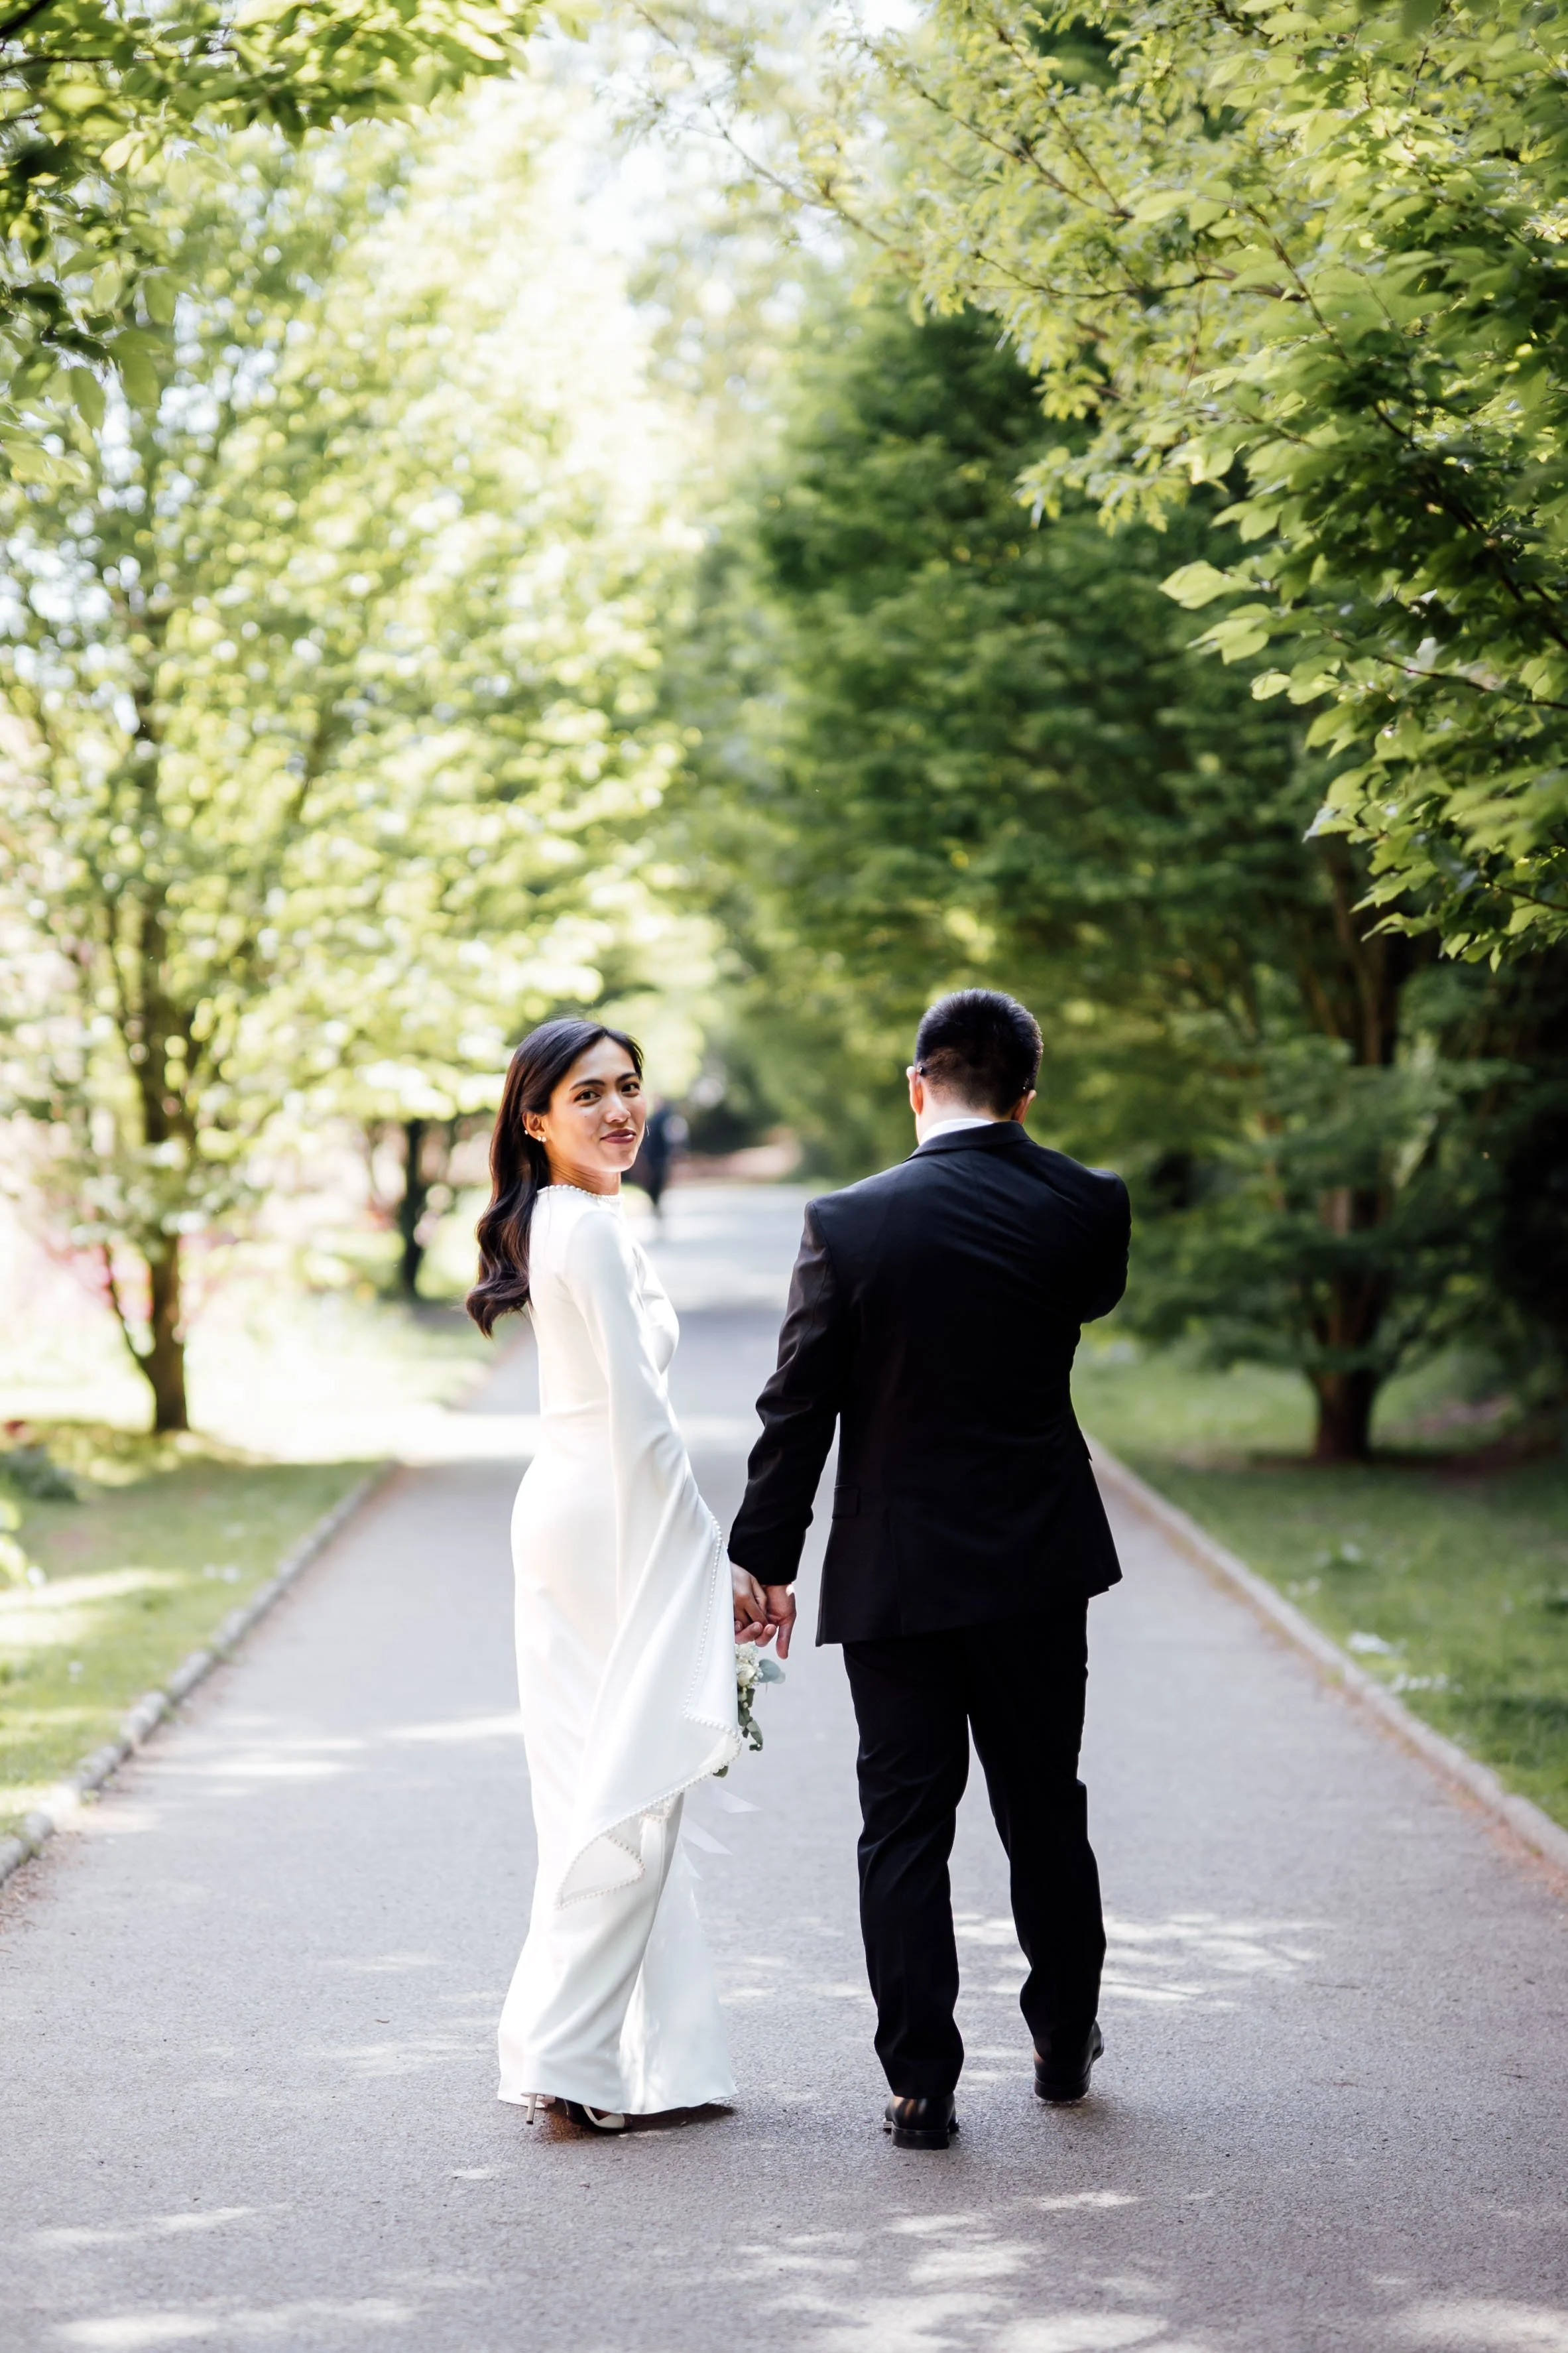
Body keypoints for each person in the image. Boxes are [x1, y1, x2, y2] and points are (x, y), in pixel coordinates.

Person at [727, 989, 1130, 2151]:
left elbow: (796, 1403)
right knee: (1045, 1805)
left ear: (918, 1084)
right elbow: (1091, 1298)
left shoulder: (849, 1223)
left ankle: (920, 2082)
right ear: (1026, 1095)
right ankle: (1063, 2040)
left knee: (903, 1823)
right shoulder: (1087, 1204)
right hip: (1040, 1564)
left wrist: (763, 1559)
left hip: (895, 1574)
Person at [467, 1018, 775, 2135]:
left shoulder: (566, 1217)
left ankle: (663, 2057)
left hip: (570, 1506)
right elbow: (645, 1431)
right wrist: (713, 1554)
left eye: (630, 1086)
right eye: (587, 1093)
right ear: (535, 1118)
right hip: (607, 1515)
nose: (618, 1109)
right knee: (632, 1790)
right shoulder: (585, 1230)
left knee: (603, 1785)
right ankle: (567, 2060)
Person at [630, 1097, 688, 1216]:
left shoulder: (655, 1120)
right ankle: (656, 1203)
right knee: (656, 1181)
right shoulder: (661, 1119)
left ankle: (656, 1203)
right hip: (657, 1157)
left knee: (656, 1181)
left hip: (655, 1156)